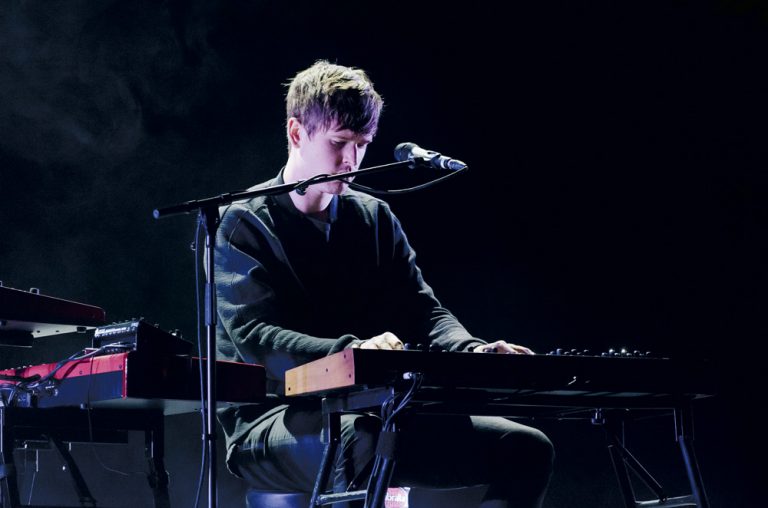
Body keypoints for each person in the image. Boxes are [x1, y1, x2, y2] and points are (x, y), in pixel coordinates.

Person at [214, 60, 554, 508]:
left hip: (373, 412)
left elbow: (423, 310)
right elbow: (258, 341)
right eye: (338, 143)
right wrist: (353, 352)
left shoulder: (373, 217)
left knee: (527, 449)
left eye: (362, 145)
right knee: (363, 443)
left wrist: (472, 349)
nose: (351, 161)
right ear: (296, 133)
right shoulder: (243, 222)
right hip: (271, 420)